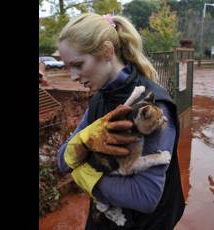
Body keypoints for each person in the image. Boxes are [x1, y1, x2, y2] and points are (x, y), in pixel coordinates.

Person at [56, 13, 185, 229]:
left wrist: (84, 174)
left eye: (78, 64)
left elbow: (145, 197)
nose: (73, 77)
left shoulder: (154, 105)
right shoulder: (100, 97)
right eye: (69, 67)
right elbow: (62, 161)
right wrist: (83, 142)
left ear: (107, 51)